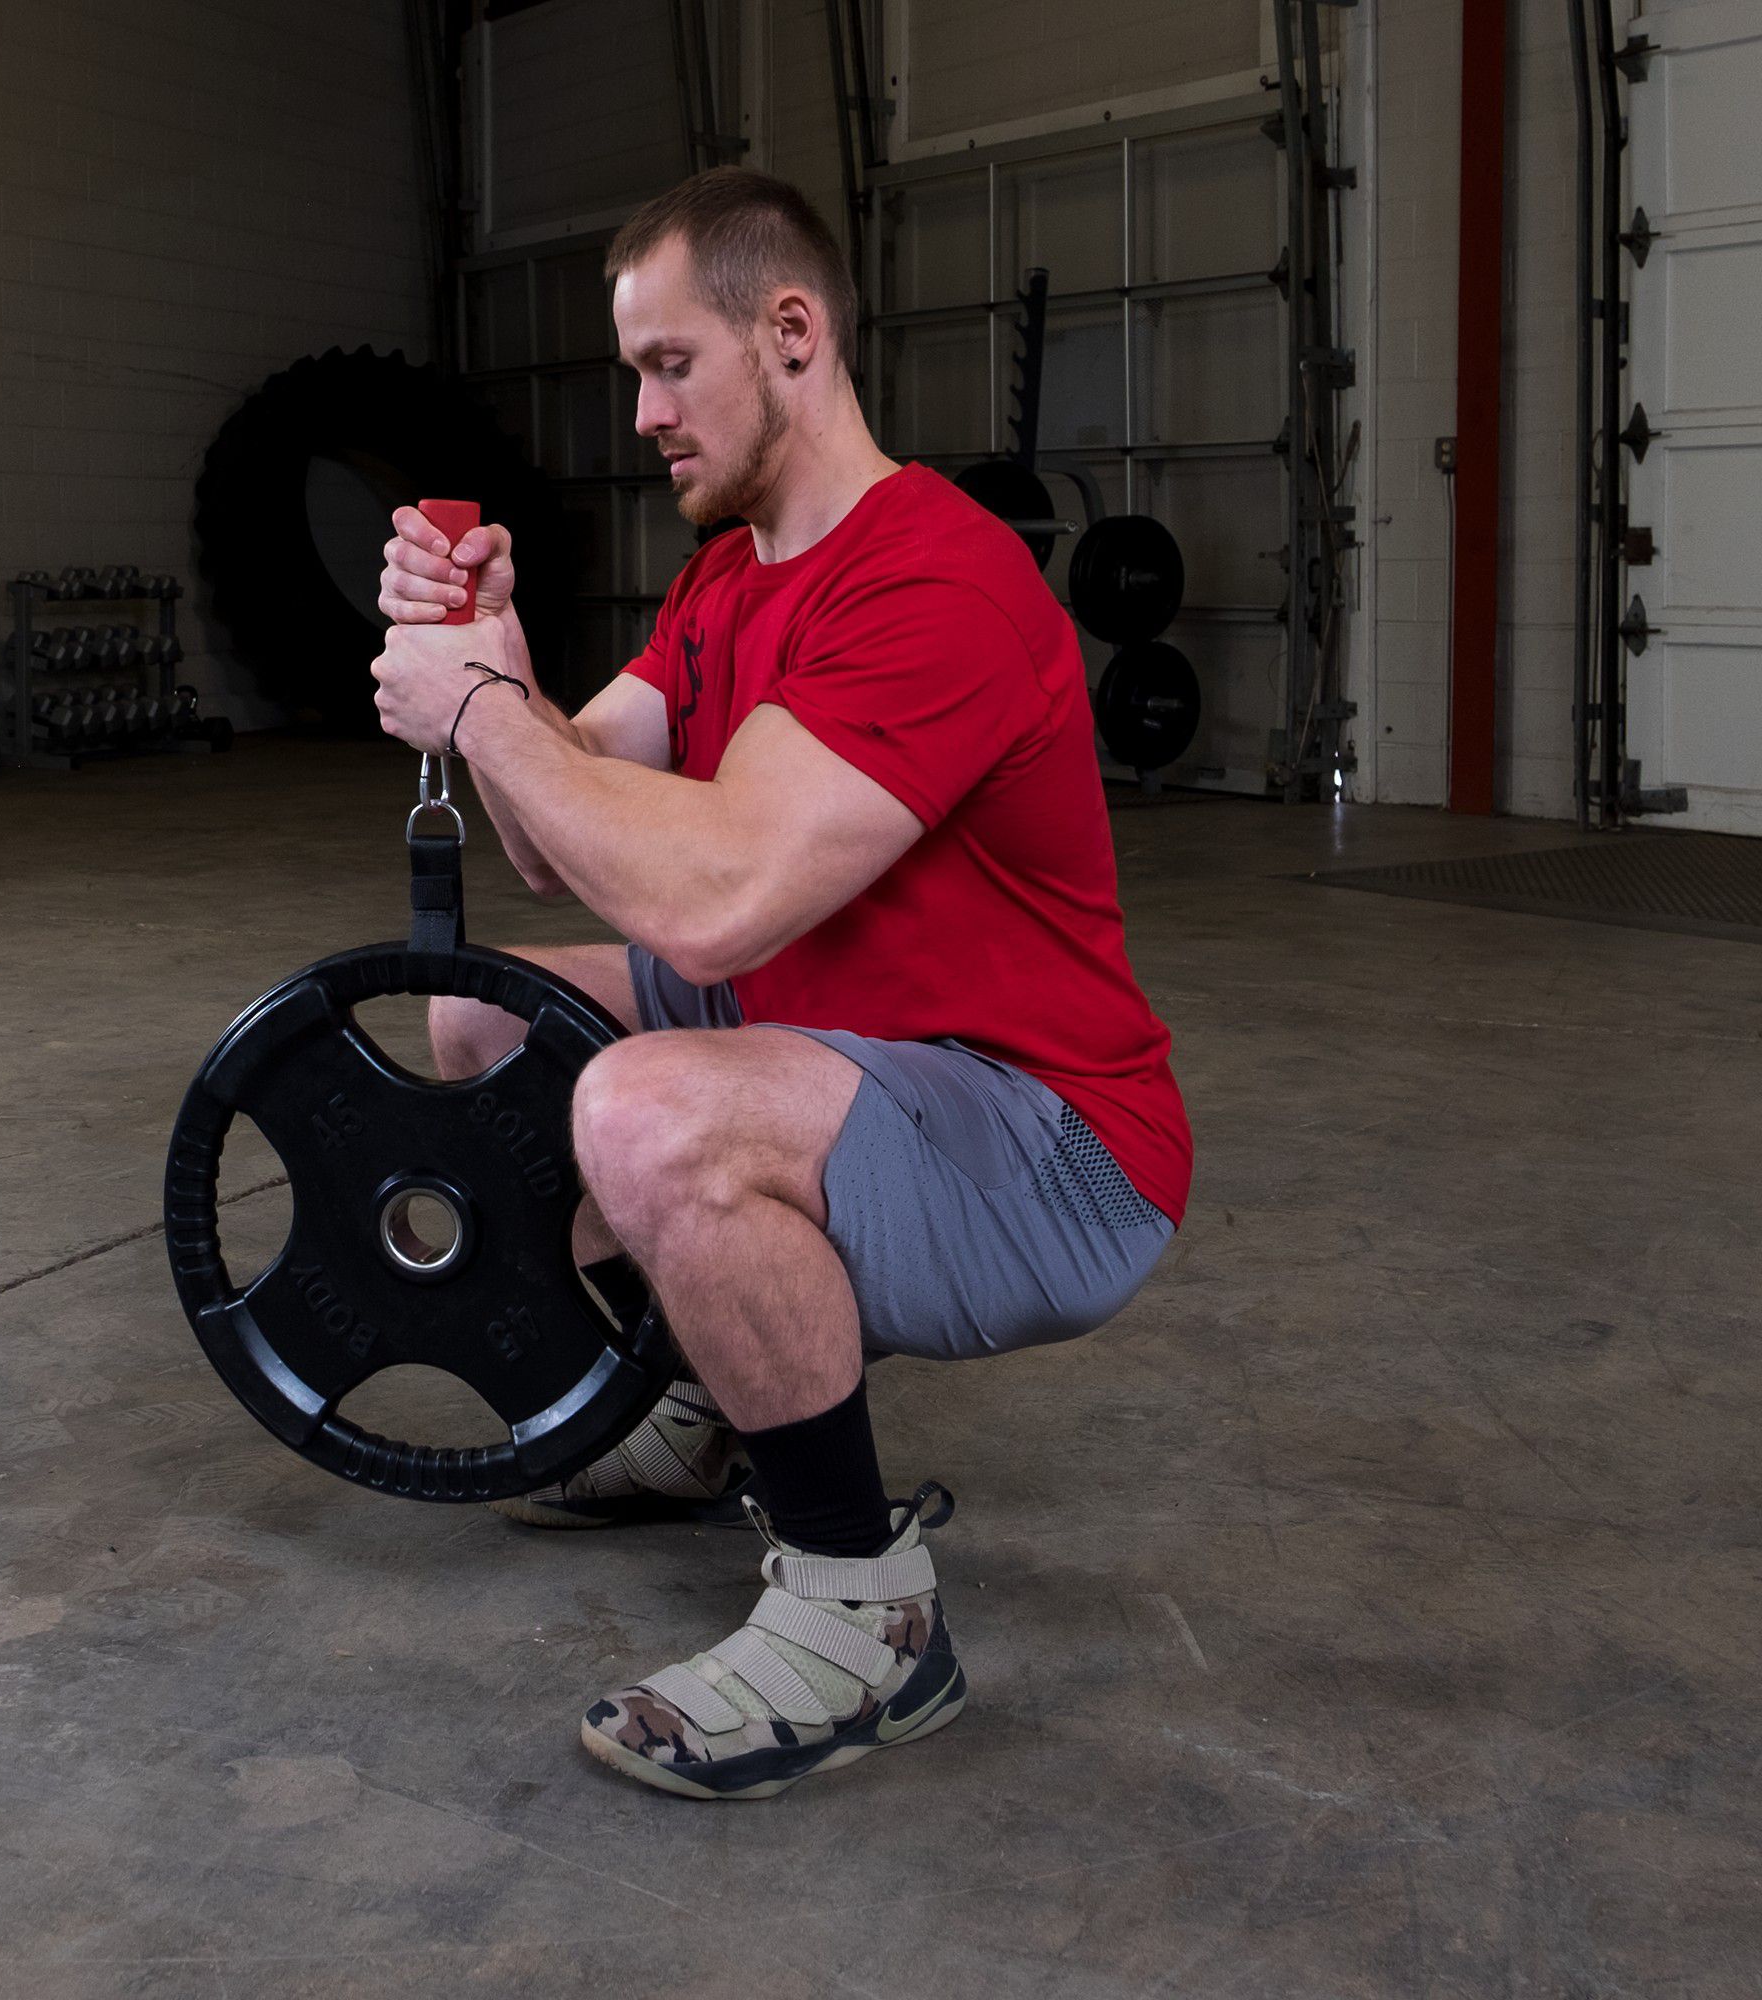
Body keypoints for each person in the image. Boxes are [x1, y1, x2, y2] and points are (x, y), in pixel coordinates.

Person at [371, 167, 1191, 1801]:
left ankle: (864, 1619)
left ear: (793, 332)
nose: (644, 411)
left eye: (672, 363)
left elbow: (724, 897)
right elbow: (573, 830)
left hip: (1050, 1142)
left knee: (650, 1111)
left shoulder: (936, 580)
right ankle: (700, 1400)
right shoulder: (729, 574)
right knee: (486, 1014)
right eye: (634, 374)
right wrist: (508, 663)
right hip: (844, 1047)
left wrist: (477, 715)